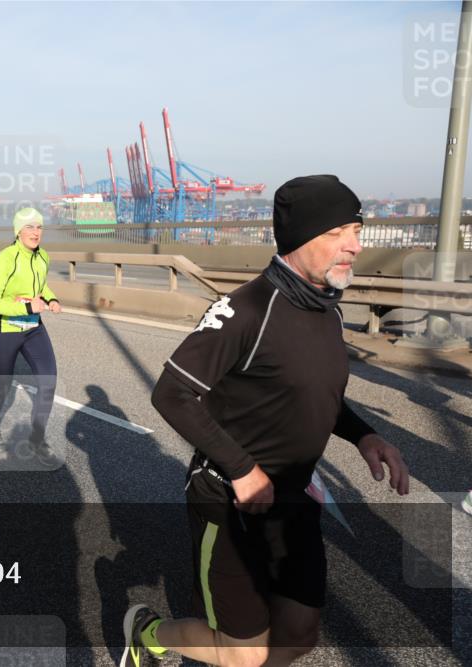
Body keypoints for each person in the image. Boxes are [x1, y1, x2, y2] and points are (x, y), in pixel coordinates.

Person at [123, 175, 411, 667]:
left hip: (293, 498)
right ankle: (146, 632)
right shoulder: (244, 310)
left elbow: (311, 392)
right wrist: (241, 468)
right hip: (230, 498)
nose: (355, 246)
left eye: (357, 231)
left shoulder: (328, 309)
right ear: (300, 238)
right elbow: (172, 393)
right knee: (243, 655)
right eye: (337, 233)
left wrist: (364, 435)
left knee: (299, 636)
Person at [0, 207, 61, 467]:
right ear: (18, 231)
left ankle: (37, 440)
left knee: (48, 381)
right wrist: (26, 307)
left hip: (33, 328)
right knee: (2, 387)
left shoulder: (43, 257)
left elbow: (40, 284)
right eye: (29, 227)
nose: (35, 232)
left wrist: (51, 298)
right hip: (4, 331)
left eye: (39, 227)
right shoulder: (5, 260)